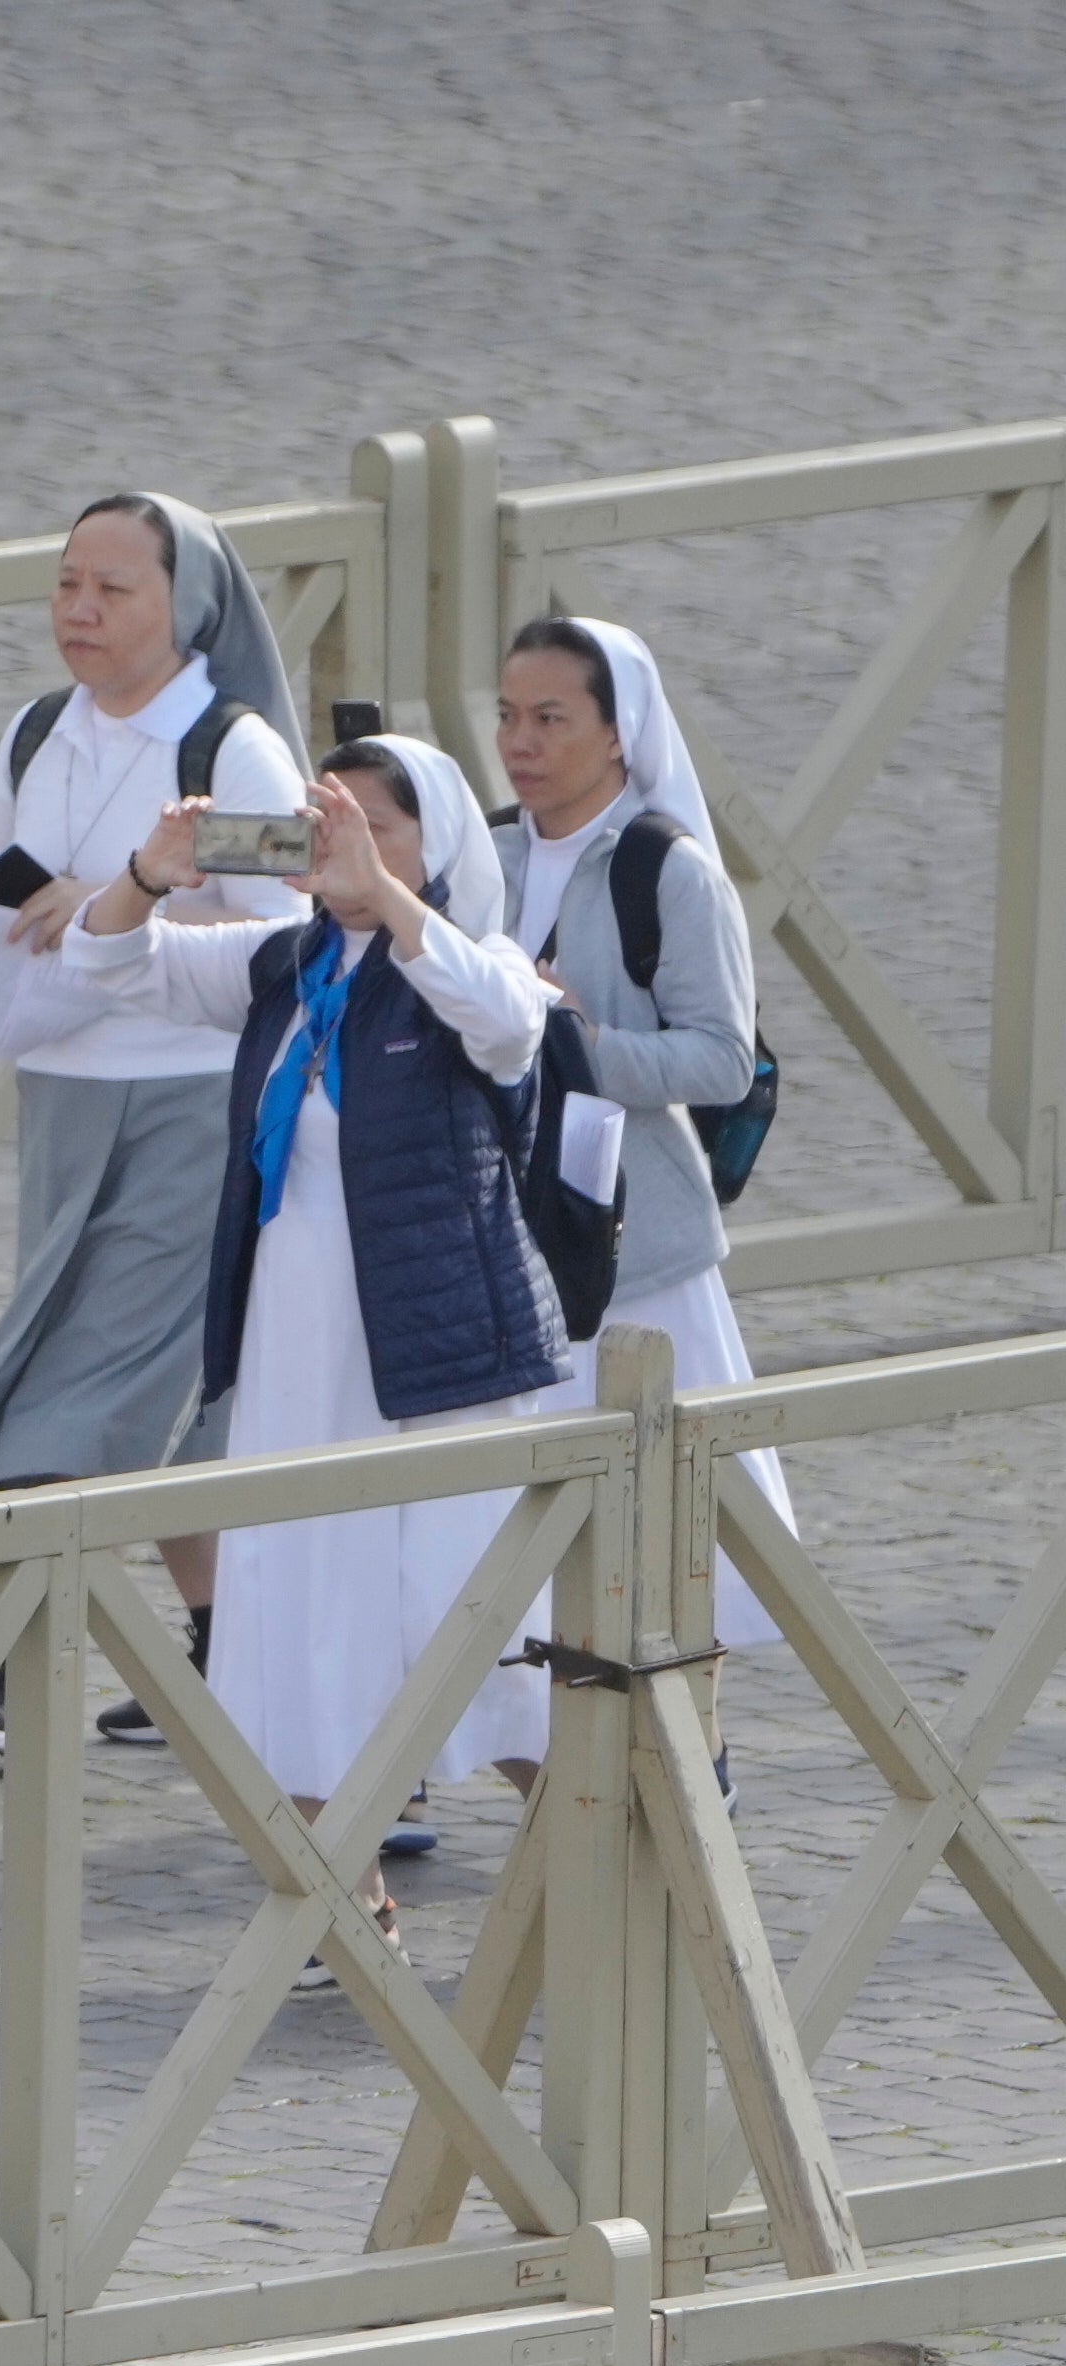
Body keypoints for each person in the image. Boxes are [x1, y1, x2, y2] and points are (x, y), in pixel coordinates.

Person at [70, 739, 567, 1960]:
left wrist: (386, 896)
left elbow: (510, 1027)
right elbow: (104, 962)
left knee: (477, 1627)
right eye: (320, 827)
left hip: (432, 1364)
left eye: (372, 828)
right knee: (291, 1619)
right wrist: (150, 867)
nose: (339, 847)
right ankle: (340, 1905)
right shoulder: (282, 964)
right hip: (297, 1357)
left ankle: (593, 1858)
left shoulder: (465, 961)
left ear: (431, 849)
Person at [0, 495, 316, 1753]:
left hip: (193, 1096)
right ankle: (226, 1648)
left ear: (182, 606)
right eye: (65, 583)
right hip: (63, 1092)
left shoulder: (229, 756)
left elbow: (299, 924)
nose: (79, 610)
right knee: (170, 1403)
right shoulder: (36, 733)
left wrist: (122, 907)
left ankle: (4, 1665)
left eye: (112, 589)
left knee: (81, 1389)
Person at [493, 614, 787, 1647]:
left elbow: (718, 1058)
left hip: (637, 1246)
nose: (518, 741)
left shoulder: (665, 870)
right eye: (505, 715)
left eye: (547, 717)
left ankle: (695, 1754)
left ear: (619, 734)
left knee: (677, 1525)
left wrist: (572, 1040)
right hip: (503, 1238)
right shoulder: (481, 851)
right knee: (517, 1530)